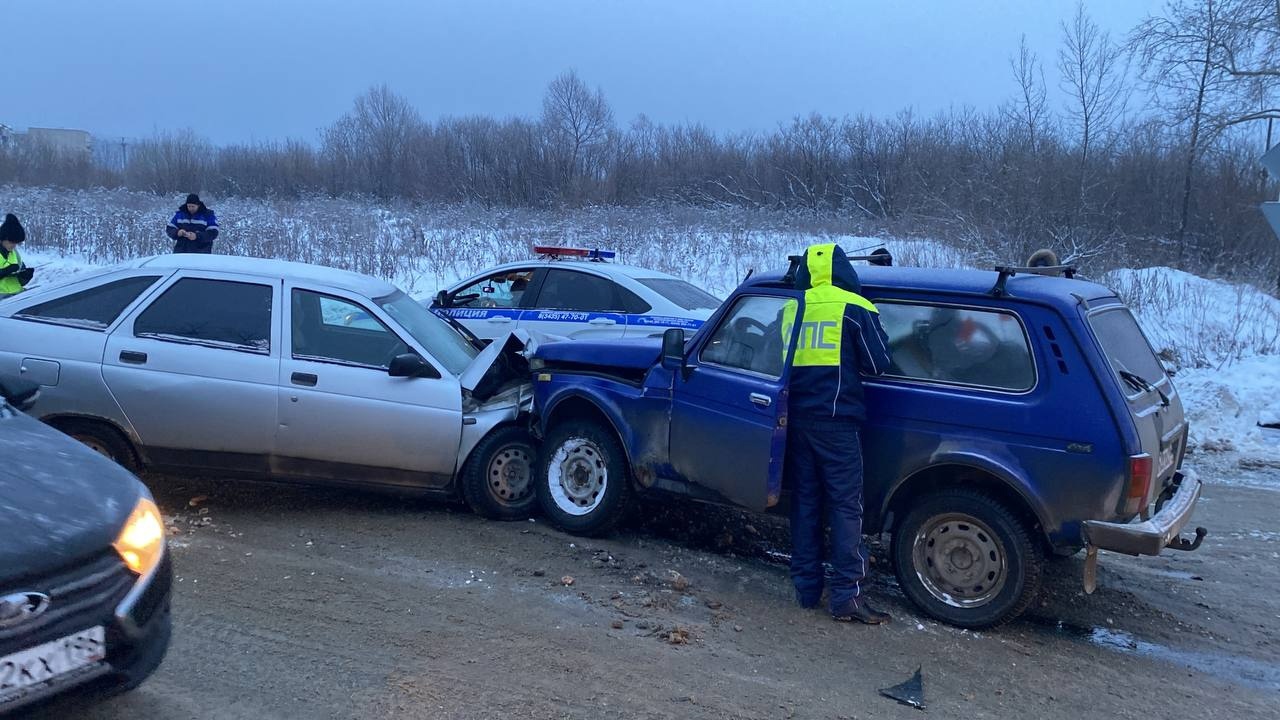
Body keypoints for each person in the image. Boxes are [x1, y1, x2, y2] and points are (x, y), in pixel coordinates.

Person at [784, 242, 893, 624]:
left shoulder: (790, 308)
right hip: (837, 425)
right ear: (844, 271)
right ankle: (847, 596)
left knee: (806, 505)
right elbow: (879, 365)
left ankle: (806, 589)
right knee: (846, 508)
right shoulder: (855, 308)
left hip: (795, 423)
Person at [0, 213, 34, 296]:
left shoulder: (14, 254)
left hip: (17, 297)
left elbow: (17, 282)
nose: (14, 245)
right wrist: (3, 272)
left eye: (16, 243)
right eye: (12, 242)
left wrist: (25, 277)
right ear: (2, 238)